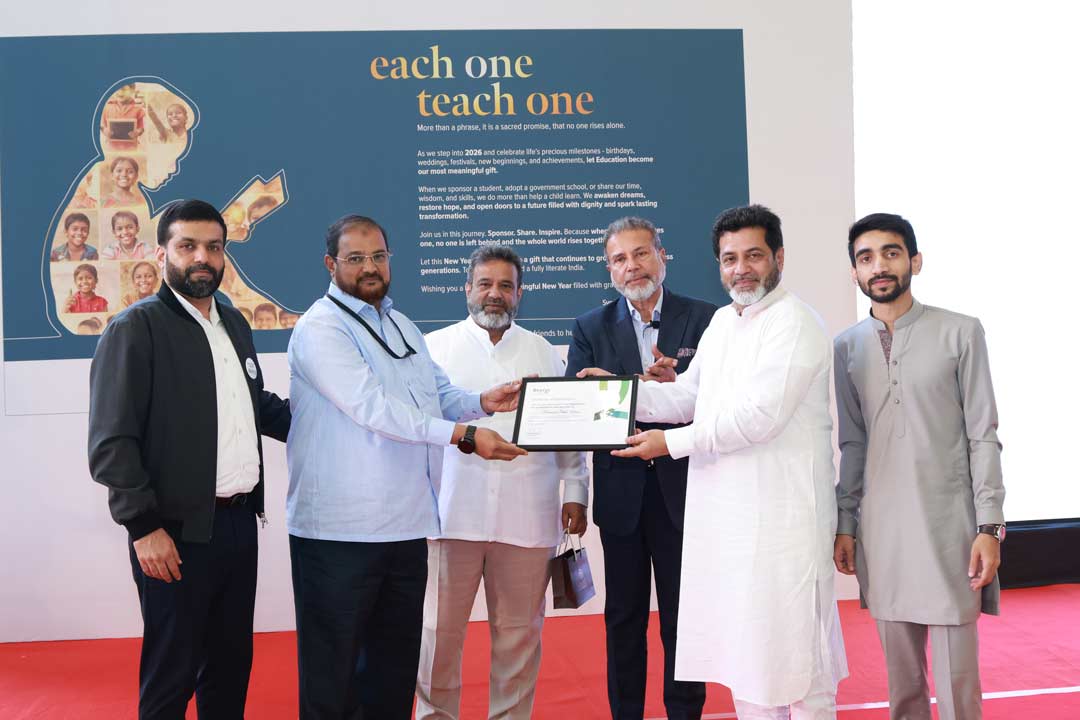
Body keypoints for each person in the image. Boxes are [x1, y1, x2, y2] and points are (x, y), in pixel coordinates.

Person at [587, 205, 848, 719]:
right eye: (730, 259)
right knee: (746, 661)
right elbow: (688, 395)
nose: (741, 269)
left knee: (799, 665)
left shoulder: (795, 322)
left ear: (778, 258)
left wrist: (669, 444)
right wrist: (614, 395)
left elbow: (758, 418)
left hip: (783, 524)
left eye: (753, 256)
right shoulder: (725, 322)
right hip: (731, 524)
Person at [286, 214, 527, 720]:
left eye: (378, 256)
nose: (370, 267)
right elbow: (374, 409)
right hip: (339, 533)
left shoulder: (401, 325)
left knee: (392, 674)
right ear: (331, 264)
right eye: (356, 258)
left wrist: (481, 402)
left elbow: (435, 394)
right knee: (333, 677)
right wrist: (464, 436)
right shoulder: (320, 328)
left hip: (405, 527)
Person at [87, 199, 291, 719]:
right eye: (188, 246)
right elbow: (112, 443)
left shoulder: (233, 323)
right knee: (171, 675)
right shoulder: (135, 328)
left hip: (239, 525)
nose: (203, 257)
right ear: (162, 254)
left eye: (214, 247)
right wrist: (143, 528)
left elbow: (254, 405)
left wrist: (333, 422)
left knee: (229, 668)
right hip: (173, 535)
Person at [833, 213, 1004, 720]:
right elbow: (852, 443)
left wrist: (989, 527)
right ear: (855, 272)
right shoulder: (846, 347)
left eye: (891, 253)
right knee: (903, 691)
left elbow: (983, 435)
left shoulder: (961, 332)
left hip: (950, 529)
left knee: (958, 691)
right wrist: (846, 524)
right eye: (866, 258)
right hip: (882, 533)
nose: (879, 266)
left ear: (915, 261)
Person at [416, 246, 590, 720]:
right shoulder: (433, 349)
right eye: (485, 284)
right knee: (437, 637)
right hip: (449, 517)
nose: (495, 294)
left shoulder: (543, 352)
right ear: (467, 289)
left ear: (519, 294)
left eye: (506, 286)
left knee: (519, 640)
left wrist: (576, 490)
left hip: (526, 518)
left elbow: (568, 432)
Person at [564, 216, 715, 720]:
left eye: (641, 253)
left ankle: (685, 713)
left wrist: (676, 386)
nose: (632, 266)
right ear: (609, 269)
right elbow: (579, 410)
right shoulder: (589, 326)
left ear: (661, 255)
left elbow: (721, 402)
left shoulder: (706, 319)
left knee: (682, 618)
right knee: (623, 619)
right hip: (622, 495)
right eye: (620, 259)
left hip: (685, 491)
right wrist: (629, 389)